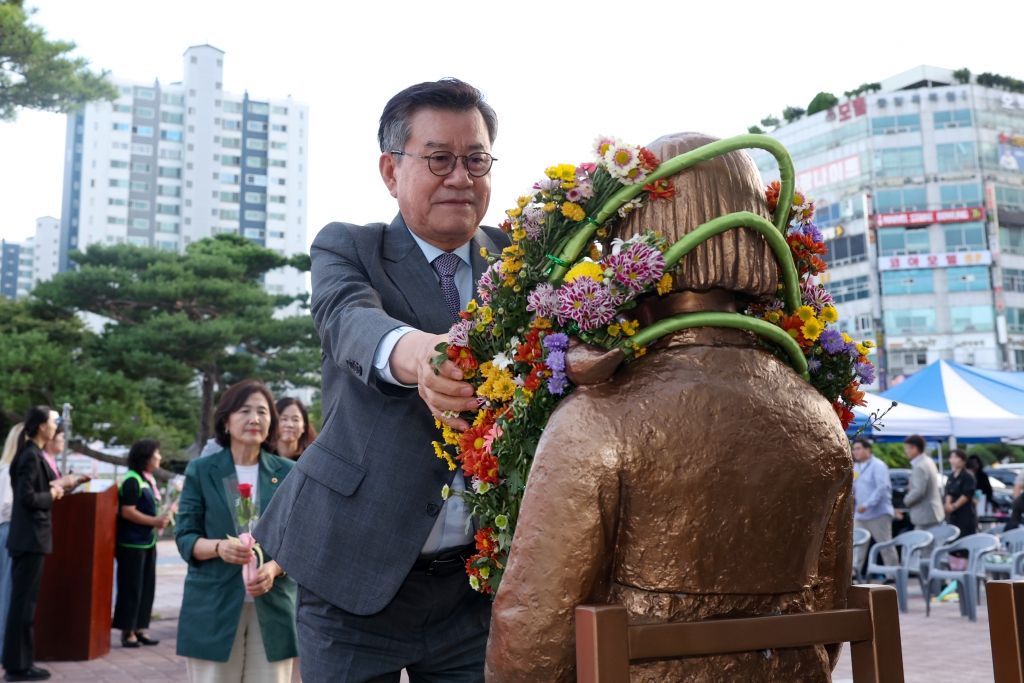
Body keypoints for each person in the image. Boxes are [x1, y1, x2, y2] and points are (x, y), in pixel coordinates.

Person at [256, 78, 509, 683]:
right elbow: (350, 320)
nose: (460, 176)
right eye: (439, 158)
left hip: (474, 590)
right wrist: (422, 355)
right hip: (352, 574)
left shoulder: (524, 259)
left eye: (475, 159)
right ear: (391, 171)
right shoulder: (349, 246)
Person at [175, 379, 297, 683]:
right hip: (213, 606)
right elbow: (185, 537)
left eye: (263, 412)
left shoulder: (289, 473)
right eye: (245, 411)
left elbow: (300, 541)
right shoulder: (201, 471)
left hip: (272, 605)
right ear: (226, 421)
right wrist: (218, 547)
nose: (255, 419)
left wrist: (274, 567)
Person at [2, 406, 61, 682]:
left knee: (25, 604)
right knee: (22, 605)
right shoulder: (29, 456)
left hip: (31, 538)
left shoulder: (32, 455)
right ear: (41, 427)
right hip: (29, 539)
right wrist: (51, 493)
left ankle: (22, 662)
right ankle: (17, 666)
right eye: (53, 422)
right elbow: (26, 498)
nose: (56, 426)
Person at [113, 439, 169, 648]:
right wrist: (154, 521)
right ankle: (127, 631)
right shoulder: (132, 480)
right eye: (156, 454)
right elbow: (127, 511)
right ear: (145, 457)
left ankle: (140, 627)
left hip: (147, 541)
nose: (159, 458)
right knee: (131, 588)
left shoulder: (148, 479)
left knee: (146, 587)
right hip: (131, 543)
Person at [851, 438, 897, 572]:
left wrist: (866, 504)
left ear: (868, 449)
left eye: (858, 448)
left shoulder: (878, 466)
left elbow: (881, 488)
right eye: (854, 449)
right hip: (860, 514)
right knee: (856, 545)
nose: (855, 452)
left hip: (878, 513)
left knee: (885, 546)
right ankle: (854, 575)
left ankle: (893, 576)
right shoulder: (856, 466)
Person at [0, 425, 24, 653]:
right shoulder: (8, 470)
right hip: (9, 529)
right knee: (7, 590)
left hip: (11, 529)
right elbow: (6, 506)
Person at [901, 434, 944, 533]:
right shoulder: (928, 461)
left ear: (915, 448)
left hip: (925, 515)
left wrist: (906, 501)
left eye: (907, 448)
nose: (906, 451)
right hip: (931, 512)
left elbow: (918, 491)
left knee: (924, 545)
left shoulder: (920, 466)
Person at [944, 449, 977, 537]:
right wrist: (948, 504)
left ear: (963, 460)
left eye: (956, 457)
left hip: (964, 513)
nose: (953, 460)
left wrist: (954, 506)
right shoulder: (951, 476)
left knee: (964, 537)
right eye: (951, 457)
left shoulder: (968, 475)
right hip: (952, 515)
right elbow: (949, 492)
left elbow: (967, 494)